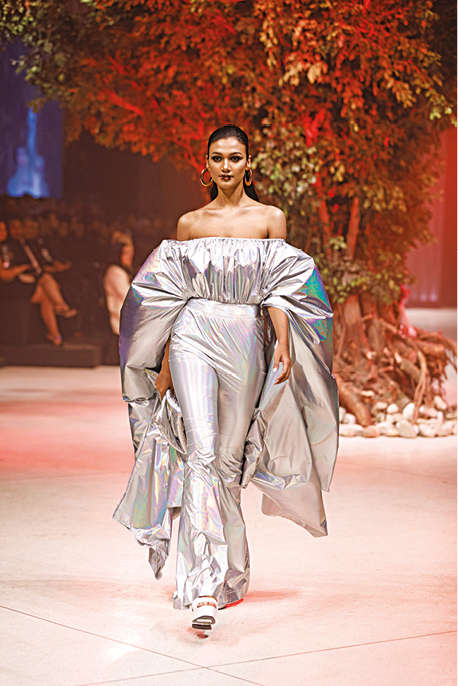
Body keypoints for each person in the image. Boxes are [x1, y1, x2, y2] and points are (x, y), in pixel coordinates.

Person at [113, 125, 339, 634]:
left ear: (248, 162)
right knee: (201, 451)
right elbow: (172, 295)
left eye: (235, 158)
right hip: (193, 334)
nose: (226, 167)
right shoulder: (190, 223)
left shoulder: (269, 218)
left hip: (246, 336)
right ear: (206, 164)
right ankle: (203, 587)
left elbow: (279, 287)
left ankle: (231, 572)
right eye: (217, 158)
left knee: (229, 462)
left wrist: (283, 345)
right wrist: (165, 363)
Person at [0, 221, 65, 345]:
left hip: (17, 282)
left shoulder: (7, 247)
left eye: (4, 230)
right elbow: (4, 275)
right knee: (45, 285)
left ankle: (55, 334)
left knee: (46, 295)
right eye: (0, 230)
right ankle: (60, 306)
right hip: (7, 287)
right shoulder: (5, 248)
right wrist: (19, 269)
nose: (3, 233)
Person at [103, 239, 134, 336]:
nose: (130, 257)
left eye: (131, 254)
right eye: (126, 254)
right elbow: (127, 295)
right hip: (120, 319)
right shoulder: (115, 272)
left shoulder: (123, 271)